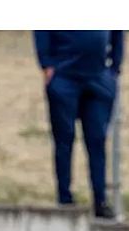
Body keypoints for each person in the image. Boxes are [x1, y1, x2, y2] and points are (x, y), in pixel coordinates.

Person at [33, 30, 124, 220]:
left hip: (99, 77)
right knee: (64, 139)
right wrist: (46, 64)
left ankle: (100, 201)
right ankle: (64, 198)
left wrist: (114, 69)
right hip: (64, 75)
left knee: (97, 141)